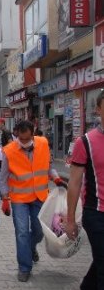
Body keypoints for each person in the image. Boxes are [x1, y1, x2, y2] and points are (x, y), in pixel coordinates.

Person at [0, 120, 63, 282]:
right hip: (19, 198)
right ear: (17, 134)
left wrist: (55, 178)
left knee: (39, 231)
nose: (25, 143)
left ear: (32, 133)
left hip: (40, 196)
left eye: (28, 139)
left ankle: (30, 247)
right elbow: (3, 177)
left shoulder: (42, 144)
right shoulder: (8, 151)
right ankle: (24, 267)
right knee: (21, 232)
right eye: (22, 139)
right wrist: (5, 198)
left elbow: (48, 167)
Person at [65, 90, 104, 290]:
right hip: (96, 213)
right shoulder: (85, 142)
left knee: (100, 263)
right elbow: (74, 183)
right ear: (98, 110)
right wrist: (70, 219)